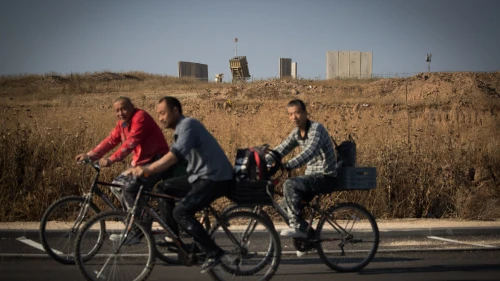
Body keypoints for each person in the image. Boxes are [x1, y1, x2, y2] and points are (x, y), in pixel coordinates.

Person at [126, 96, 234, 273]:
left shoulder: (188, 125)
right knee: (163, 188)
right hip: (200, 176)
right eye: (158, 114)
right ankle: (173, 238)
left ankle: (214, 252)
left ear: (175, 111)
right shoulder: (180, 129)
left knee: (181, 212)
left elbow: (174, 155)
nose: (160, 118)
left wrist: (147, 169)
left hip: (214, 177)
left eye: (163, 113)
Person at [75, 97, 173, 242]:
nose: (120, 113)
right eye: (117, 110)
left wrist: (111, 159)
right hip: (143, 163)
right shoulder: (122, 124)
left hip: (157, 161)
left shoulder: (140, 117)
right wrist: (90, 155)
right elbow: (111, 140)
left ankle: (137, 230)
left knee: (128, 188)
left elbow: (131, 142)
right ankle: (137, 220)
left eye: (123, 108)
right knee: (117, 186)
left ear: (132, 106)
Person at [266, 99, 337, 239]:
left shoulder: (316, 129)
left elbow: (310, 151)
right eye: (290, 114)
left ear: (305, 113)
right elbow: (281, 149)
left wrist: (286, 166)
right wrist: (261, 161)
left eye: (297, 113)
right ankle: (309, 236)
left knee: (290, 183)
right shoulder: (296, 133)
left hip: (325, 176)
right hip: (311, 178)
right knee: (282, 208)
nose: (294, 117)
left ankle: (298, 228)